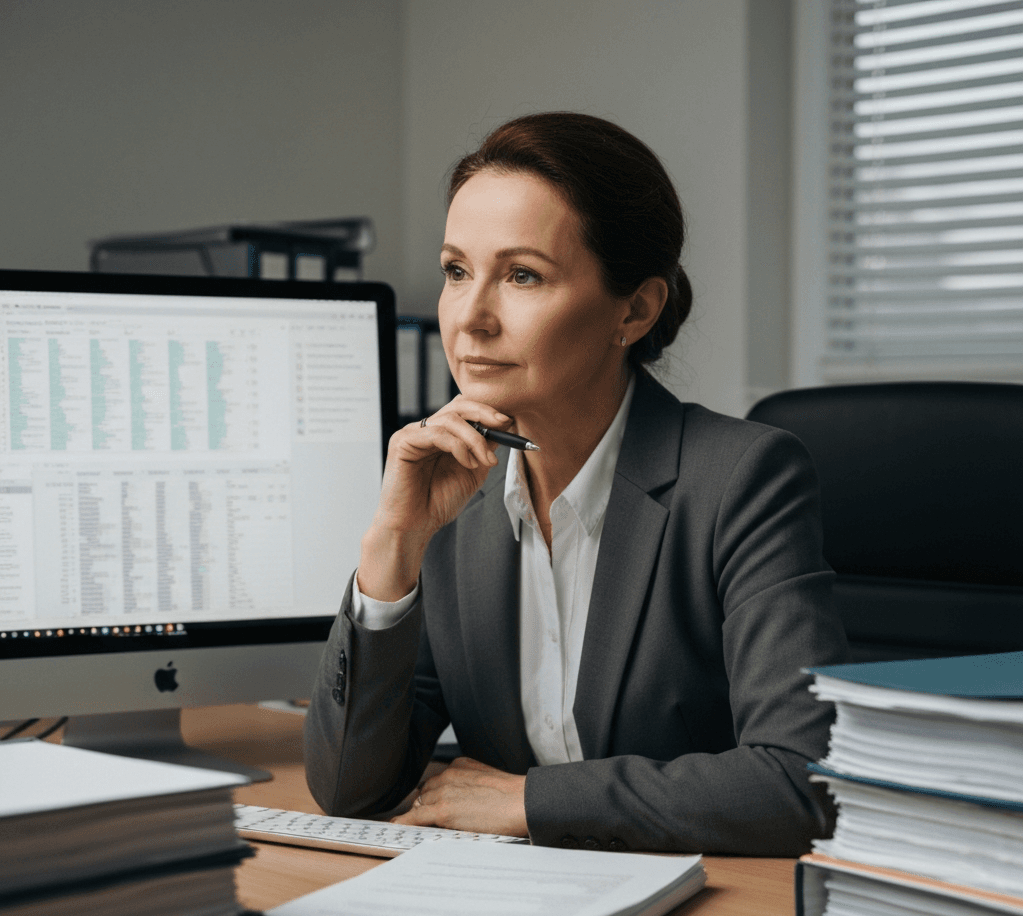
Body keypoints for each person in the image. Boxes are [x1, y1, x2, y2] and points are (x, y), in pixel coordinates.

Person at [304, 111, 848, 855]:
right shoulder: (453, 497)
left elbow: (800, 780)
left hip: (706, 915)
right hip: (515, 913)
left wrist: (531, 800)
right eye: (457, 271)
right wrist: (392, 547)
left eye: (522, 275)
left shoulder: (742, 480)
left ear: (635, 309)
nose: (470, 318)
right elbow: (349, 789)